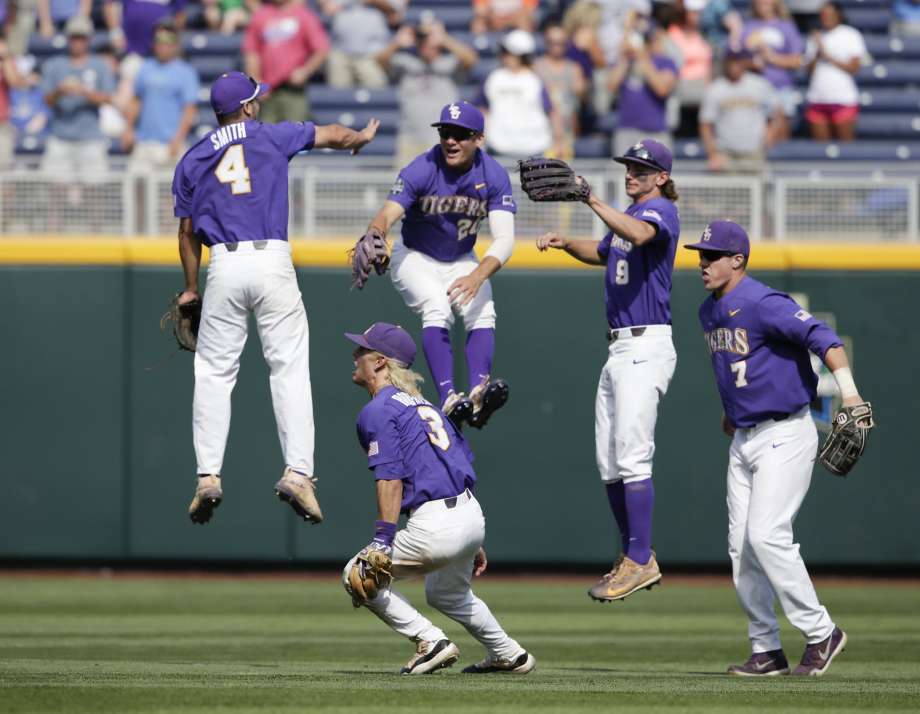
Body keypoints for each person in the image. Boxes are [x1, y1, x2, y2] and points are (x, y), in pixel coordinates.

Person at [173, 71, 379, 525]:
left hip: (223, 265)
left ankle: (208, 476)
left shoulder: (193, 156)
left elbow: (187, 233)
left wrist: (191, 286)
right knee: (287, 368)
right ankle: (299, 472)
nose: (259, 104)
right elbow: (331, 134)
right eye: (255, 99)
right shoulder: (271, 136)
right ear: (246, 107)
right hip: (271, 261)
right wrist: (358, 139)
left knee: (212, 373)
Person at [684, 219, 859, 676]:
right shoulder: (708, 311)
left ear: (738, 260)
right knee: (741, 548)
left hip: (785, 433)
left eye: (712, 256)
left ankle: (822, 632)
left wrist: (851, 393)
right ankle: (766, 649)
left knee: (767, 535)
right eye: (700, 254)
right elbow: (737, 367)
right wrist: (734, 411)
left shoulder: (763, 301)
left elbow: (824, 339)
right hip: (744, 439)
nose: (702, 263)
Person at [342, 321, 536, 676]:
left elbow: (390, 478)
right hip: (468, 512)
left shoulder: (380, 410)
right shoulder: (421, 404)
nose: (355, 355)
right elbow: (456, 461)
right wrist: (469, 538)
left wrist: (382, 541)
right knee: (447, 594)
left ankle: (431, 641)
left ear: (381, 361)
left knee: (357, 574)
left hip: (436, 523)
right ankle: (509, 654)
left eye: (362, 350)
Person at [535, 139, 680, 602]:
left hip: (646, 341)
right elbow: (604, 251)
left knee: (633, 455)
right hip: (619, 348)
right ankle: (633, 555)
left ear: (661, 177)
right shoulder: (626, 215)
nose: (631, 173)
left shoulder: (662, 212)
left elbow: (639, 236)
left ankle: (640, 559)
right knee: (611, 462)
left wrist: (591, 198)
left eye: (642, 167)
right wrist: (566, 244)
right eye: (629, 166)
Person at [362, 101, 516, 431]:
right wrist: (376, 231)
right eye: (446, 132)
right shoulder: (423, 167)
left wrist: (476, 275)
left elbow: (505, 240)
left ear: (479, 139)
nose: (450, 141)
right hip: (415, 256)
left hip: (463, 259)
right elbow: (387, 213)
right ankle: (448, 396)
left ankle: (477, 393)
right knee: (437, 308)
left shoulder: (493, 174)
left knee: (483, 310)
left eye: (461, 135)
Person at [376, 19, 478, 167]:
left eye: (428, 38)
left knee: (442, 186)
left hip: (442, 139)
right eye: (422, 39)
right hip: (409, 138)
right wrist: (396, 42)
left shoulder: (449, 63)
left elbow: (471, 59)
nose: (425, 44)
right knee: (405, 185)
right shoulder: (406, 63)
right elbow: (379, 61)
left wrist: (445, 39)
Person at [40, 14, 115, 174]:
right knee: (55, 188)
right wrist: (59, 91)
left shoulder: (99, 65)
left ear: (89, 39)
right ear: (68, 38)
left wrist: (84, 92)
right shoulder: (55, 64)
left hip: (91, 137)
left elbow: (108, 99)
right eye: (74, 37)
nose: (77, 42)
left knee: (96, 192)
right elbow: (46, 100)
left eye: (81, 37)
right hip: (60, 136)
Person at [122, 19, 199, 171]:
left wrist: (178, 139)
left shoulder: (186, 72)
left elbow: (189, 109)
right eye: (158, 40)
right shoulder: (145, 68)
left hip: (170, 144)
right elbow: (136, 101)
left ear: (176, 44)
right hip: (144, 143)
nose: (163, 45)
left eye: (168, 40)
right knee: (136, 190)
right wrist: (128, 129)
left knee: (171, 193)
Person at [478, 29, 564, 159]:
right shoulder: (493, 78)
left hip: (535, 148)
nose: (503, 56)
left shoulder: (535, 80)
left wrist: (558, 141)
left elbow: (552, 112)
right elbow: (482, 110)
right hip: (498, 147)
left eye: (507, 52)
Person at [243, 0, 330, 124]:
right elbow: (251, 51)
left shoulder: (304, 15)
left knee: (296, 135)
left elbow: (322, 49)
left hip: (293, 91)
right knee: (266, 136)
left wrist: (305, 71)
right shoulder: (261, 15)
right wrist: (256, 81)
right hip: (267, 92)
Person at [699, 47, 782, 173]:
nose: (734, 65)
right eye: (731, 61)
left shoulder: (759, 85)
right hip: (726, 153)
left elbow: (776, 113)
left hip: (754, 152)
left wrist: (769, 137)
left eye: (737, 61)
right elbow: (705, 124)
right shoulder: (716, 88)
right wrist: (712, 154)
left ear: (745, 62)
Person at [608, 20, 679, 157]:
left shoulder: (665, 62)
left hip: (655, 131)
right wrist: (624, 57)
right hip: (626, 130)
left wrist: (643, 58)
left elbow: (662, 89)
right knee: (626, 176)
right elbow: (611, 87)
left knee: (658, 175)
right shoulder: (625, 61)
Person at [803, 1, 867, 142]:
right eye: (823, 15)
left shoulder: (851, 35)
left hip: (843, 98)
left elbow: (855, 67)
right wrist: (817, 54)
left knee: (845, 148)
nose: (826, 18)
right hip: (817, 97)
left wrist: (829, 56)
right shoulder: (815, 37)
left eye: (830, 15)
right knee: (820, 150)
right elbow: (809, 70)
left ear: (839, 15)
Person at [741, 0, 803, 141]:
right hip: (753, 91)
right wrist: (751, 63)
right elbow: (736, 61)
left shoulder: (786, 26)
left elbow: (797, 61)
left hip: (781, 90)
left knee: (780, 135)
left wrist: (772, 58)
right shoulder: (748, 27)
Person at [319, 0, 402, 89]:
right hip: (340, 51)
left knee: (376, 90)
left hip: (372, 54)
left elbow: (396, 15)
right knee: (337, 95)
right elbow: (327, 8)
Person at [534, 22, 588, 158]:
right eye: (552, 42)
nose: (556, 46)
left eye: (560, 42)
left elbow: (582, 97)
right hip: (541, 131)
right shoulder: (536, 67)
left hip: (568, 131)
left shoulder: (574, 68)